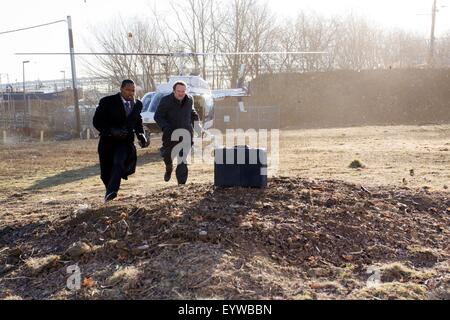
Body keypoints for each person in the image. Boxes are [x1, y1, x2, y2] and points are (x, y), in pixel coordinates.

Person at [93, 79, 149, 202]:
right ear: (121, 89)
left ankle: (112, 191)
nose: (131, 93)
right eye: (128, 90)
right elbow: (97, 121)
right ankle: (109, 194)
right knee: (105, 173)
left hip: (125, 142)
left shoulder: (138, 104)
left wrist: (141, 134)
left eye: (133, 90)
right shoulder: (107, 102)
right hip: (107, 142)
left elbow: (137, 121)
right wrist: (112, 130)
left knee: (118, 163)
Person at [154, 81, 201, 184]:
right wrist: (165, 127)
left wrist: (197, 126)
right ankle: (168, 168)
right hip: (170, 135)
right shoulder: (165, 100)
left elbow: (193, 114)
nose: (181, 94)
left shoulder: (189, 100)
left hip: (186, 134)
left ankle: (181, 184)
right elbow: (158, 116)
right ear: (173, 91)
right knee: (168, 156)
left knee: (182, 159)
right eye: (179, 91)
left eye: (183, 91)